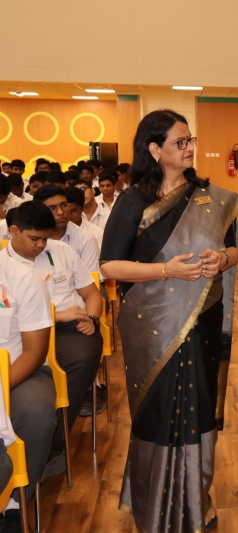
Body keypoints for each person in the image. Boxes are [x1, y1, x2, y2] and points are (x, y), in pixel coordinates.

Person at [100, 109, 238, 533]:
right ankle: (153, 507)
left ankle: (198, 500)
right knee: (159, 411)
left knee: (199, 408)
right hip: (153, 325)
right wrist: (167, 271)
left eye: (190, 140)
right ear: (154, 149)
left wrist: (222, 259)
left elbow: (234, 249)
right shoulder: (133, 201)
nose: (189, 148)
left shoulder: (209, 196)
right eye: (179, 142)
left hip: (202, 319)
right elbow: (110, 266)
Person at [6, 200, 102, 487]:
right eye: (34, 238)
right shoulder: (6, 266)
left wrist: (93, 319)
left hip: (68, 329)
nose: (41, 245)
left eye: (45, 239)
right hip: (26, 333)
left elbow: (92, 294)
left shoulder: (62, 251)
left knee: (81, 359)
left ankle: (56, 443)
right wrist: (56, 315)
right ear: (13, 231)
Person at [0, 202, 58, 533]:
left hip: (20, 370)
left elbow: (35, 352)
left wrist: (1, 389)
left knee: (37, 415)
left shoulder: (23, 278)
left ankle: (15, 503)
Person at [33, 185, 100, 274]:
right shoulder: (30, 239)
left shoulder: (86, 239)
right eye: (52, 208)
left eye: (64, 205)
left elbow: (91, 278)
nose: (60, 212)